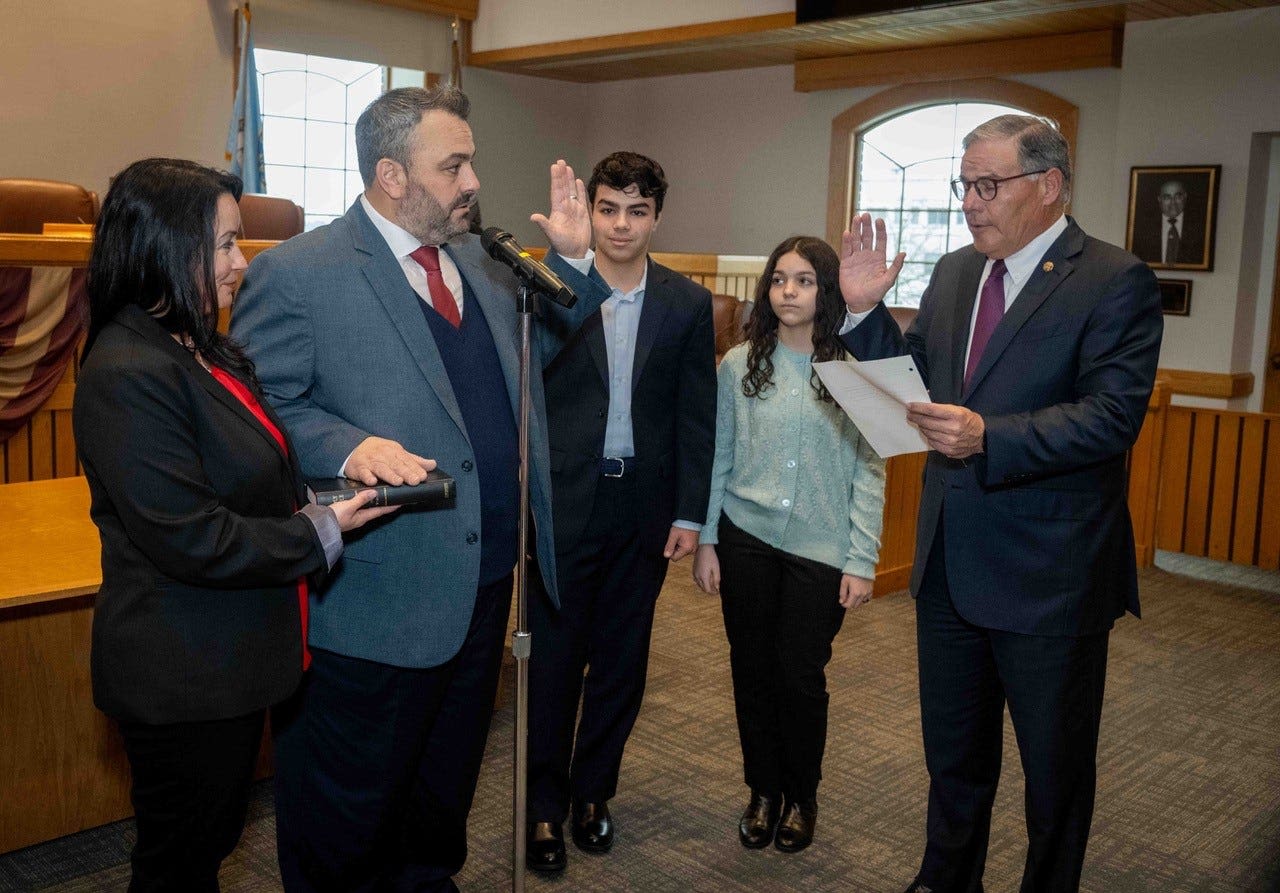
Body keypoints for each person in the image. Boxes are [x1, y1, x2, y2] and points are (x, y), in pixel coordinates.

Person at [229, 86, 609, 892]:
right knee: (348, 813)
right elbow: (261, 413)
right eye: (455, 165)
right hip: (375, 599)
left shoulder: (482, 260)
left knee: (441, 801)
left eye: (470, 160)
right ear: (393, 174)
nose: (473, 180)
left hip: (483, 585)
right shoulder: (300, 274)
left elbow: (542, 360)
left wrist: (574, 261)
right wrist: (347, 442)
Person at [839, 115, 1163, 892]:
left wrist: (990, 435)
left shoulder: (1112, 279)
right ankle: (945, 879)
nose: (971, 203)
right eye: (965, 185)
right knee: (954, 759)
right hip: (950, 564)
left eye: (988, 185)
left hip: (1051, 575)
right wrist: (861, 316)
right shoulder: (954, 274)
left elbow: (1113, 416)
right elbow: (913, 388)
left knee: (1054, 778)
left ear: (1048, 186)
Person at [73, 157, 392, 892]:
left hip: (231, 661)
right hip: (180, 673)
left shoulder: (201, 347)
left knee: (208, 844)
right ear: (163, 245)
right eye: (221, 244)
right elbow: (191, 535)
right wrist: (322, 527)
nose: (238, 263)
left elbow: (250, 472)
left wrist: (337, 481)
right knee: (178, 860)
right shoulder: (127, 368)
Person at [524, 152, 716, 872]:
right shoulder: (549, 286)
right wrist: (564, 266)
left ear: (657, 217)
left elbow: (698, 418)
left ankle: (591, 793)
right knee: (552, 665)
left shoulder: (687, 304)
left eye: (637, 211)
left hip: (644, 506)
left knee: (621, 664)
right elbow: (529, 375)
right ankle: (542, 806)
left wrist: (692, 514)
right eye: (609, 208)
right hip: (565, 503)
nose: (621, 224)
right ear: (593, 210)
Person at [692, 236, 886, 854]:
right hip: (745, 541)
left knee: (800, 677)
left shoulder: (857, 371)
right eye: (779, 280)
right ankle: (763, 792)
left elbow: (870, 470)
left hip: (820, 553)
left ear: (827, 291)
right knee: (751, 672)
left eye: (804, 281)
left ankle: (802, 796)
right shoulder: (738, 363)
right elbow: (718, 456)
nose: (789, 292)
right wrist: (706, 540)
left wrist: (862, 559)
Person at [1130, 178, 1206, 266]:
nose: (1173, 202)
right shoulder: (1143, 228)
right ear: (1159, 199)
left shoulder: (1200, 227)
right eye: (1167, 197)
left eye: (1178, 196)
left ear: (1185, 197)